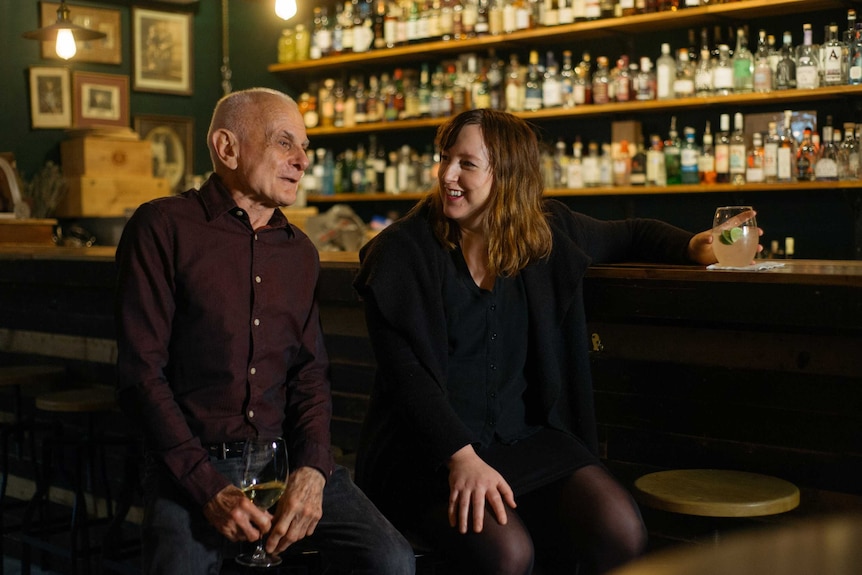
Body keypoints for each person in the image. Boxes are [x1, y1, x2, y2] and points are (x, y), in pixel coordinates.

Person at [353, 108, 760, 575]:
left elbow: (630, 233)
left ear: (508, 174)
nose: (447, 174)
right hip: (430, 453)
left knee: (621, 528)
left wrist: (692, 246)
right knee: (510, 554)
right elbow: (407, 381)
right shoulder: (400, 252)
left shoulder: (543, 230)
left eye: (466, 163)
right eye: (444, 158)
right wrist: (459, 457)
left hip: (524, 439)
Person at [115, 87, 415, 575]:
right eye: (283, 143)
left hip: (285, 459)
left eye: (304, 147)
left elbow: (311, 375)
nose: (301, 161)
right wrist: (208, 487)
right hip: (192, 464)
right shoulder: (162, 227)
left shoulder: (300, 252)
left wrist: (314, 470)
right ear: (227, 147)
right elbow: (140, 376)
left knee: (391, 559)